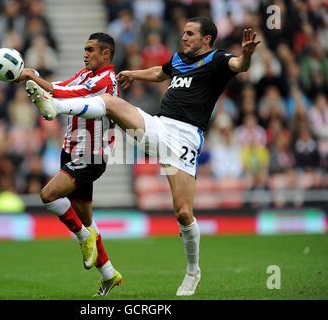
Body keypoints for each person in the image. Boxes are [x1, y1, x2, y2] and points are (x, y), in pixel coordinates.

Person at [26, 17, 261, 296]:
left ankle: (192, 271)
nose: (183, 36)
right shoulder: (178, 58)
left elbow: (240, 66)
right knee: (111, 103)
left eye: (190, 33)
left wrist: (245, 55)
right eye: (183, 31)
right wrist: (135, 73)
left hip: (185, 139)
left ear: (206, 39)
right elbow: (161, 73)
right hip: (159, 127)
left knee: (183, 213)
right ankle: (54, 106)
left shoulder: (218, 59)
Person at [16, 33, 122, 296]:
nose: (85, 54)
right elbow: (61, 83)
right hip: (70, 149)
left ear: (106, 54)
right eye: (84, 49)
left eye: (90, 49)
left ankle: (83, 238)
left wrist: (33, 79)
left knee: (48, 195)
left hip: (90, 155)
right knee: (86, 219)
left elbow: (66, 92)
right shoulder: (86, 73)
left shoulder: (106, 80)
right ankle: (109, 273)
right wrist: (35, 75)